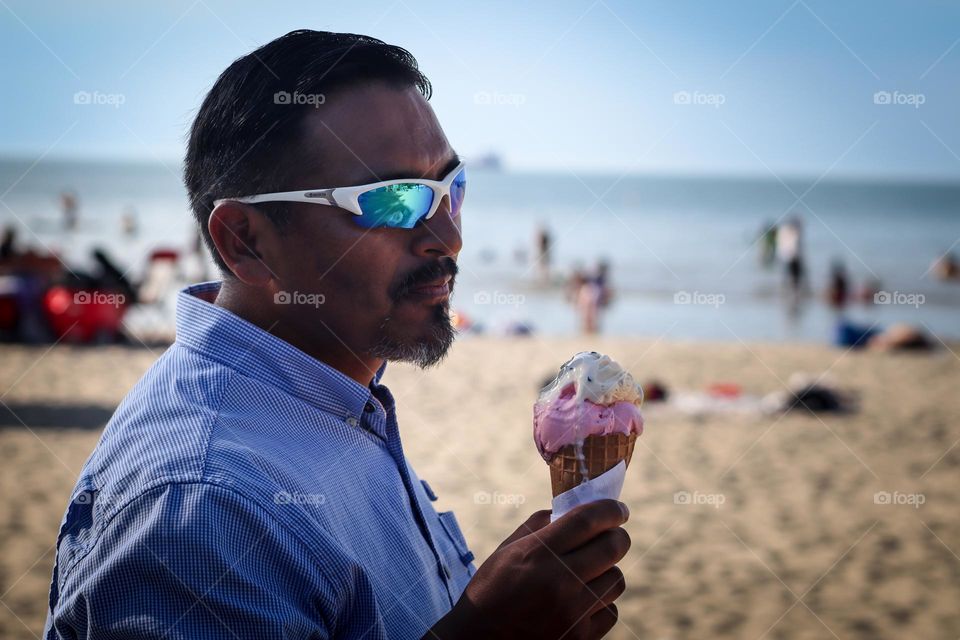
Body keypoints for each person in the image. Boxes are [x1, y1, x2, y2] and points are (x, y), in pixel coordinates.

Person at [44, 31, 629, 640]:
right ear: (245, 241)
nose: (447, 237)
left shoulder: (331, 397)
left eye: (451, 189)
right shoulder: (203, 503)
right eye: (392, 201)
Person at [776, 215, 805, 296]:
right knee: (792, 276)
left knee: (791, 276)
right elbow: (793, 246)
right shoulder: (791, 231)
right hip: (791, 258)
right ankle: (791, 292)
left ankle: (791, 292)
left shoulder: (786, 231)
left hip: (790, 257)